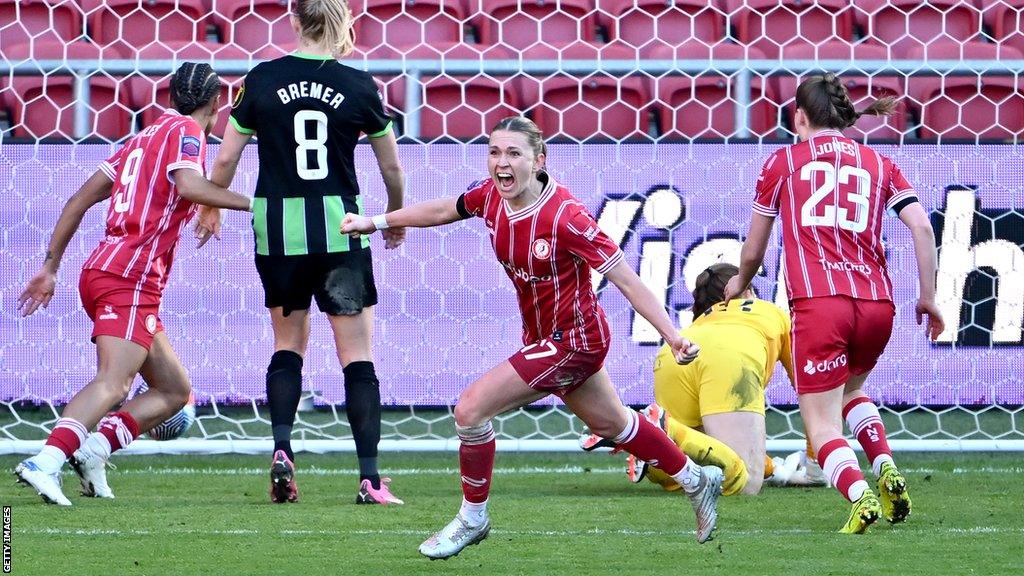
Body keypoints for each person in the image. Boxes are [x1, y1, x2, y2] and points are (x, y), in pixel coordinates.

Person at [342, 116, 724, 560]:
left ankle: (473, 516)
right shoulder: (490, 197)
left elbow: (626, 278)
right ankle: (698, 479)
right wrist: (375, 221)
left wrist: (672, 335)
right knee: (613, 424)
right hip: (545, 336)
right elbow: (445, 208)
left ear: (539, 160)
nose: (501, 163)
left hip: (574, 339)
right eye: (494, 152)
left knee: (470, 409)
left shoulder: (566, 217)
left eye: (514, 154)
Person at [15, 63, 254, 505]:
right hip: (129, 276)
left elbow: (78, 200)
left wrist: (51, 267)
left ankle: (95, 451)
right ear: (216, 102)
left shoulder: (141, 138)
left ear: (169, 95)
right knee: (114, 384)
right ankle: (44, 462)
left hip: (107, 271)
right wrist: (255, 204)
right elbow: (189, 184)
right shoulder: (187, 130)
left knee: (174, 391)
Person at [196, 0, 406, 505]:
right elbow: (392, 167)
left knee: (287, 346)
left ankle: (283, 449)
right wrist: (394, 218)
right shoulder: (358, 85)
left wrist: (212, 207)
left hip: (278, 232)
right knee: (356, 355)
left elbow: (225, 156)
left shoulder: (261, 79)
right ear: (339, 23)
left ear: (293, 22)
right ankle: (370, 479)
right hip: (341, 231)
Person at [723, 73, 945, 533]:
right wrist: (928, 298)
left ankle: (861, 497)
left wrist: (739, 282)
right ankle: (884, 465)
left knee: (821, 426)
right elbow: (923, 228)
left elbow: (753, 251)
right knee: (850, 392)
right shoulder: (879, 163)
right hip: (877, 304)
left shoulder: (783, 162)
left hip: (820, 304)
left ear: (798, 117)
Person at [580, 264, 826, 495]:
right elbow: (811, 389)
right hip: (732, 353)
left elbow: (718, 444)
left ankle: (637, 431)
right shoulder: (771, 312)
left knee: (684, 470)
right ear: (746, 291)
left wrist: (773, 468)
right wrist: (815, 467)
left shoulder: (696, 324)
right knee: (747, 483)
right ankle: (665, 428)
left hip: (676, 353)